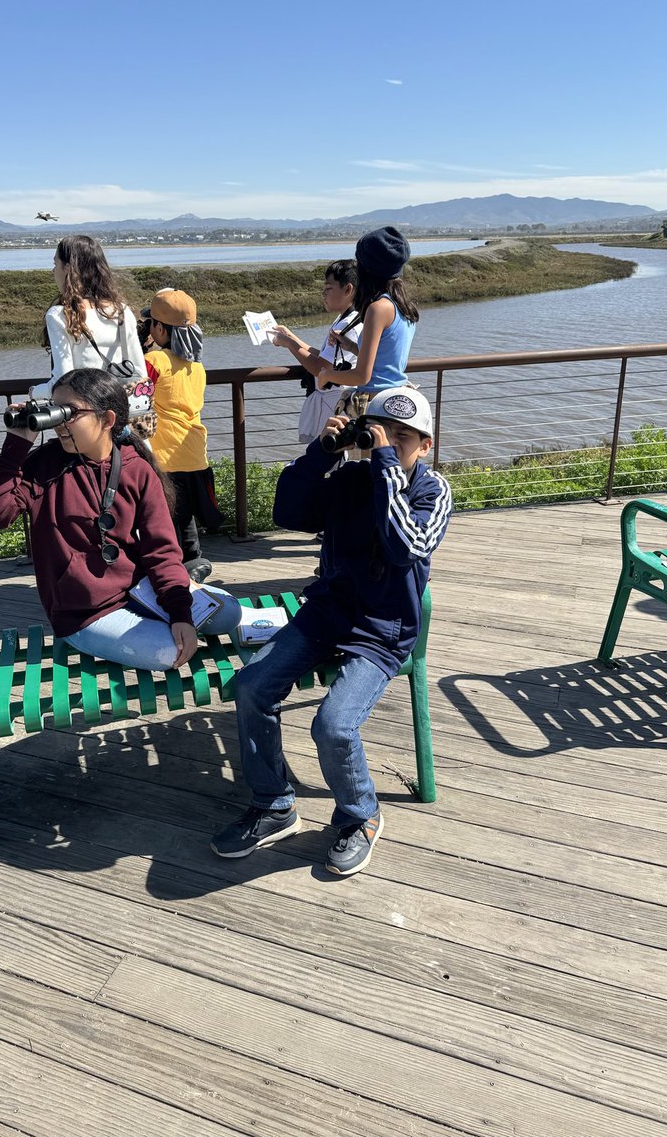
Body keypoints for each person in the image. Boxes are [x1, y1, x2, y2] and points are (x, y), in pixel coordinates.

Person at [211, 383, 451, 876]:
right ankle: (274, 804)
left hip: (383, 628)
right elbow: (288, 512)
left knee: (334, 724)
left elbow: (408, 545)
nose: (391, 444)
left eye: (404, 439)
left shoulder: (432, 490)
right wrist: (321, 453)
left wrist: (384, 464)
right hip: (328, 611)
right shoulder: (352, 478)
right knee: (253, 685)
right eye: (382, 434)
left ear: (426, 445)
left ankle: (359, 816)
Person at [0, 368, 241, 672]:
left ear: (108, 419)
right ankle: (138, 625)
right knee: (167, 652)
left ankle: (169, 610)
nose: (60, 423)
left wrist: (180, 612)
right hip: (84, 612)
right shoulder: (43, 468)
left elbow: (161, 549)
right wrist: (15, 447)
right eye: (55, 410)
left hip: (139, 589)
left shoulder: (134, 467)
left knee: (230, 613)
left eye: (69, 413)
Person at [30, 234, 154, 439]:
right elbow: (139, 372)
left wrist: (36, 392)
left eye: (55, 265)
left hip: (88, 427)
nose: (53, 272)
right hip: (127, 428)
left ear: (68, 268)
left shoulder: (60, 315)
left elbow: (64, 379)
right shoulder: (121, 311)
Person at [141, 288, 224, 584]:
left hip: (164, 451)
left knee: (162, 513)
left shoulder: (155, 361)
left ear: (160, 328)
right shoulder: (197, 366)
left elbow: (137, 395)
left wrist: (143, 351)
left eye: (152, 323)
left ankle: (169, 565)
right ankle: (193, 559)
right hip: (193, 450)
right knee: (185, 513)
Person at [315, 226, 419, 420]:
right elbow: (386, 361)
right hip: (395, 400)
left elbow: (362, 376)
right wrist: (352, 346)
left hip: (374, 405)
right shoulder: (402, 305)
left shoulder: (377, 309)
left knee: (323, 448)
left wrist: (326, 375)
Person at [269, 259, 363, 445]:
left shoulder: (346, 325)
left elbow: (320, 367)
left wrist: (288, 343)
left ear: (348, 289)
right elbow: (324, 357)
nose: (323, 293)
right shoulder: (351, 317)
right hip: (339, 401)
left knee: (329, 456)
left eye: (328, 288)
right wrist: (291, 336)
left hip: (333, 404)